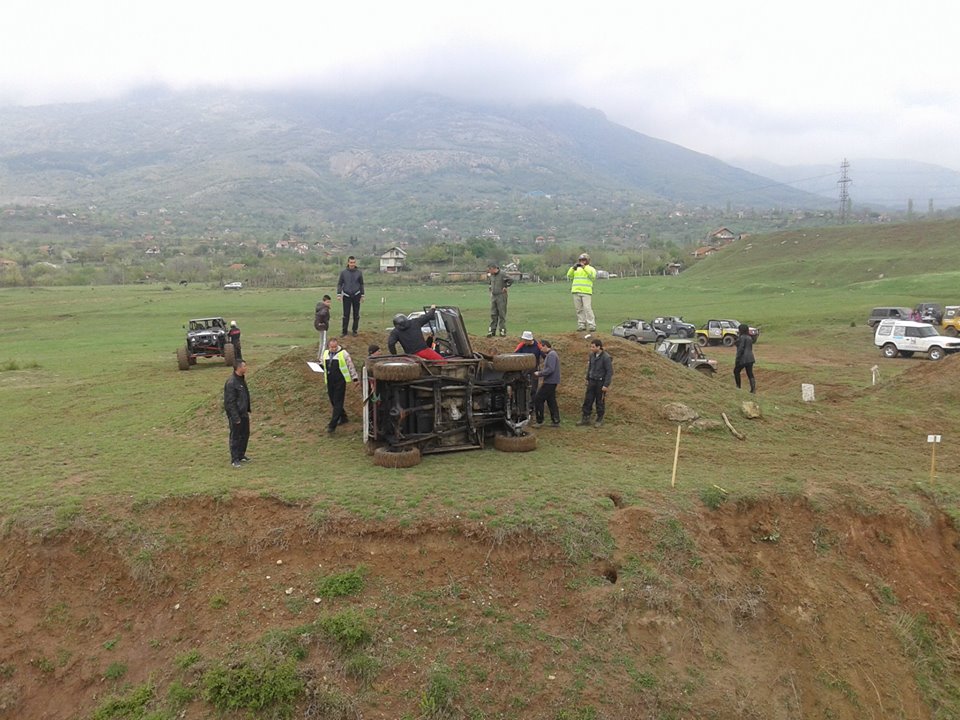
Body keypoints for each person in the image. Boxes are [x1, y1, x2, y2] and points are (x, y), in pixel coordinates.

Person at [320, 337, 359, 434]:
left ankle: (332, 425)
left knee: (338, 402)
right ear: (328, 346)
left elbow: (350, 366)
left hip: (340, 380)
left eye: (335, 347)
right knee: (332, 400)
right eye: (331, 347)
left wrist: (355, 378)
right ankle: (343, 417)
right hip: (330, 380)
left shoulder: (343, 353)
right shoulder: (325, 353)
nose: (333, 349)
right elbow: (322, 363)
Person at [577, 338, 613, 428]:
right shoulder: (591, 355)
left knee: (600, 401)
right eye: (591, 347)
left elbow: (609, 372)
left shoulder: (606, 357)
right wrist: (587, 378)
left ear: (599, 347)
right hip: (592, 381)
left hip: (600, 382)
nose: (591, 348)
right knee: (588, 399)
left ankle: (599, 419)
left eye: (593, 347)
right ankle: (585, 418)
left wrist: (606, 385)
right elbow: (590, 367)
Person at [223, 360, 251, 467]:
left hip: (243, 413)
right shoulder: (231, 383)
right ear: (238, 368)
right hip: (236, 414)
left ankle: (241, 455)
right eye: (244, 366)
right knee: (235, 436)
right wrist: (235, 417)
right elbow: (230, 402)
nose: (246, 368)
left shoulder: (241, 379)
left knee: (245, 434)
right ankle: (234, 459)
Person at [566, 252, 597, 332]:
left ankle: (591, 325)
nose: (582, 261)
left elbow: (592, 277)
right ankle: (581, 324)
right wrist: (573, 268)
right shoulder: (576, 269)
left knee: (587, 308)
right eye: (581, 260)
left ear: (587, 261)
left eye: (584, 260)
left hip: (586, 292)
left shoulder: (591, 269)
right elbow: (569, 276)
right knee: (579, 309)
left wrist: (584, 268)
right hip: (576, 291)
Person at [533, 339, 561, 427]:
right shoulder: (552, 354)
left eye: (541, 347)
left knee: (538, 399)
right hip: (552, 381)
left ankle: (539, 421)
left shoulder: (551, 355)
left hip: (550, 382)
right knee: (551, 400)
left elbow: (550, 369)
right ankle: (555, 420)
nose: (541, 349)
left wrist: (539, 373)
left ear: (545, 346)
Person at [514, 330, 543, 408]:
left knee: (533, 389)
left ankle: (532, 406)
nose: (523, 341)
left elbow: (544, 355)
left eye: (525, 340)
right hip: (523, 370)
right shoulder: (521, 346)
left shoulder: (538, 346)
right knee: (522, 387)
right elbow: (515, 355)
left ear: (529, 340)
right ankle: (521, 405)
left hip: (534, 369)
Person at [337, 257, 365, 337]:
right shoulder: (343, 273)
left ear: (355, 263)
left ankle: (354, 331)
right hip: (346, 296)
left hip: (356, 295)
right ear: (348, 263)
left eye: (353, 262)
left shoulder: (359, 273)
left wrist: (362, 295)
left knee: (356, 314)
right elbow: (340, 284)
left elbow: (361, 284)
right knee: (346, 315)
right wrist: (339, 294)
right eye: (351, 262)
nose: (352, 264)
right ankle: (344, 332)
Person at [486, 261, 513, 337]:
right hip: (494, 296)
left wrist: (506, 286)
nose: (489, 271)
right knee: (493, 314)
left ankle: (502, 331)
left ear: (494, 268)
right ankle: (492, 331)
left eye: (490, 269)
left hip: (501, 296)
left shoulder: (502, 274)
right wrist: (490, 288)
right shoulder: (491, 275)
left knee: (501, 314)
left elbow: (511, 280)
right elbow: (490, 282)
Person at [733, 323, 757, 393]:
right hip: (751, 357)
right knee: (750, 373)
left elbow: (741, 348)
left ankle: (738, 387)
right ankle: (753, 389)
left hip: (743, 358)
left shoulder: (742, 337)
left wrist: (737, 358)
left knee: (736, 371)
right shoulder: (749, 337)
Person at [314, 294, 332, 358]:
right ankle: (321, 358)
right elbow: (322, 314)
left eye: (329, 302)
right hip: (323, 327)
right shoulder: (325, 309)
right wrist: (322, 323)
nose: (329, 303)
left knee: (322, 341)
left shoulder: (320, 307)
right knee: (324, 342)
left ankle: (319, 356)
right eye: (327, 302)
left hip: (320, 326)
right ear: (324, 302)